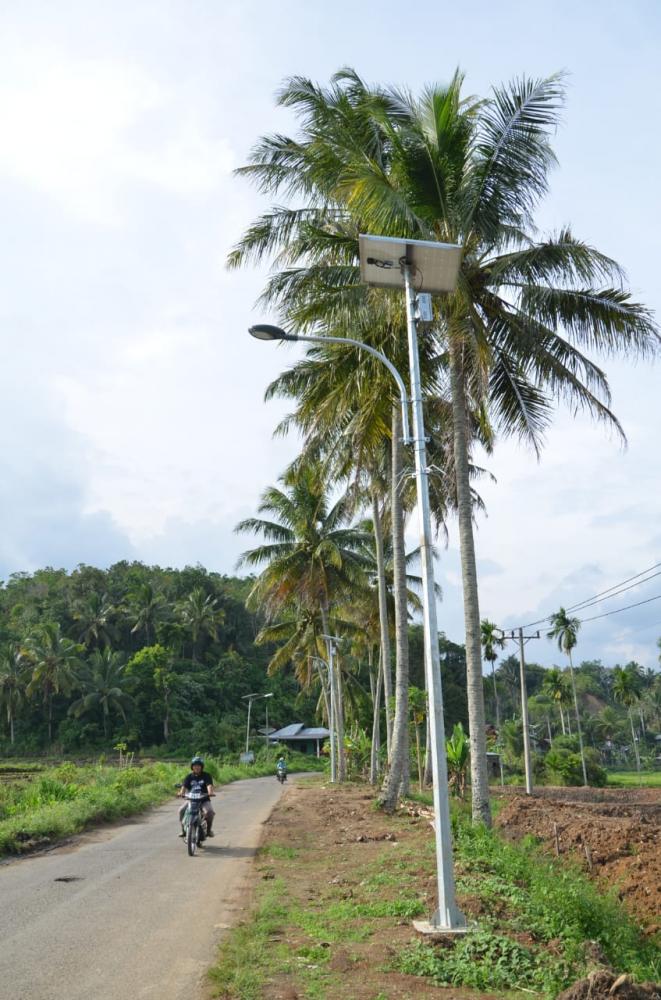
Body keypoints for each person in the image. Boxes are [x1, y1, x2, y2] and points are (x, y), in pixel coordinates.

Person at [177, 756, 215, 837]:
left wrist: (210, 792)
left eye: (198, 765)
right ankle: (183, 830)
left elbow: (209, 785)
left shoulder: (206, 776)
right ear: (192, 767)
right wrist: (181, 793)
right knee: (181, 810)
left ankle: (208, 831)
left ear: (201, 766)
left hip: (203, 799)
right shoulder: (189, 777)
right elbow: (184, 786)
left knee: (209, 812)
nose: (196, 767)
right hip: (191, 800)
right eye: (195, 765)